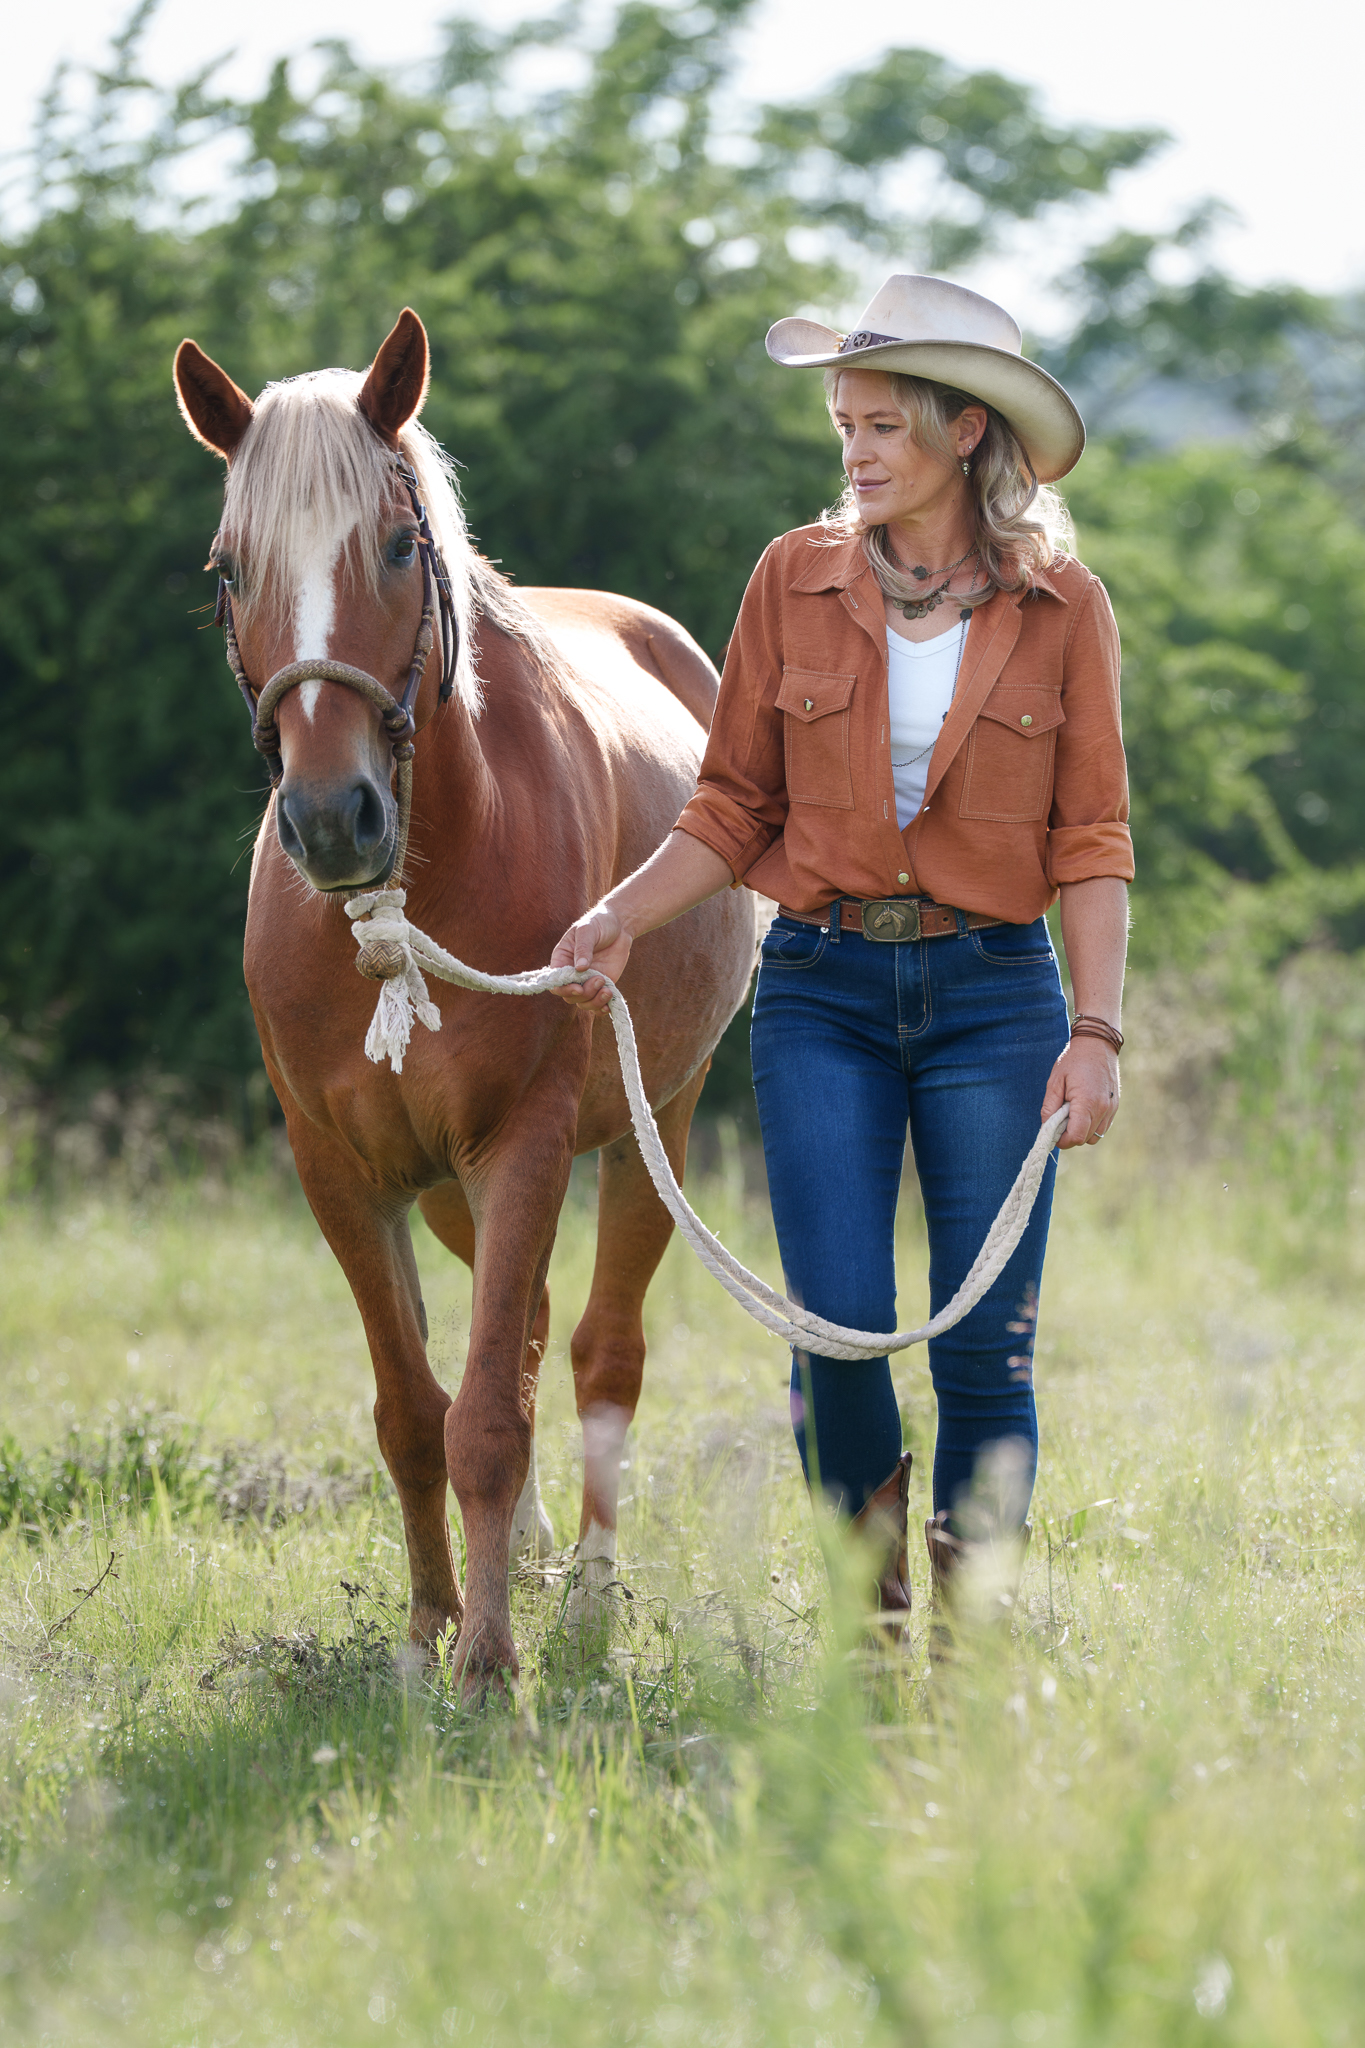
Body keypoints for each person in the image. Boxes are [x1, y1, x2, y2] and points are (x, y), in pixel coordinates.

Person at [551, 273, 1131, 1632]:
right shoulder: (788, 579)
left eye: (881, 425)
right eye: (843, 422)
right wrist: (619, 915)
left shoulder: (1062, 607)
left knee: (986, 1345)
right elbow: (730, 806)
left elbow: (1091, 841)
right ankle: (872, 1635)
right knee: (836, 1329)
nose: (854, 451)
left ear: (965, 432)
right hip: (818, 990)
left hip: (997, 997)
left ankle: (973, 1634)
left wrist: (1093, 1035)